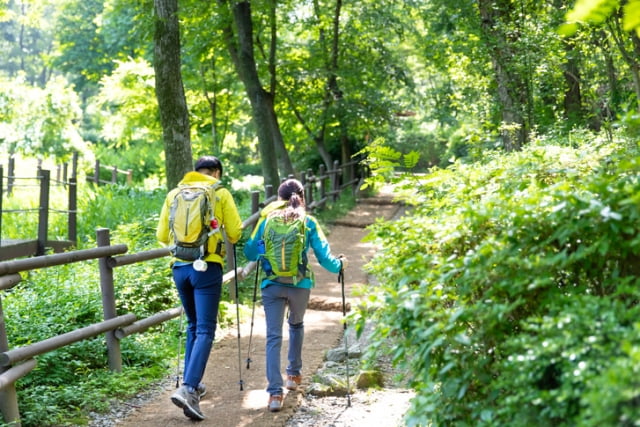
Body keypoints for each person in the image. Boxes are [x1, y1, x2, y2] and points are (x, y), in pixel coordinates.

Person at [244, 178, 347, 413]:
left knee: (273, 337)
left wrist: (263, 250)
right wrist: (340, 265)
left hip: (272, 284)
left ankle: (274, 394)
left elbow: (250, 251)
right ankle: (293, 374)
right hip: (300, 285)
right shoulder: (308, 221)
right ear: (302, 196)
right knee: (297, 325)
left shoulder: (267, 219)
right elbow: (324, 257)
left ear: (278, 198)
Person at [156, 155, 242, 421]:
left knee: (194, 325)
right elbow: (235, 233)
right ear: (216, 172)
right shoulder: (220, 192)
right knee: (206, 328)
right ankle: (189, 388)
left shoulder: (174, 193)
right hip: (207, 267)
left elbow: (161, 236)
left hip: (180, 268)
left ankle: (193, 381)